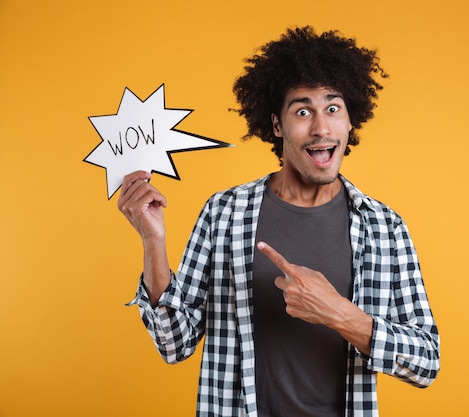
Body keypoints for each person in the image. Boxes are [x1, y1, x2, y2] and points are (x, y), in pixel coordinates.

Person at [119, 26, 440, 417]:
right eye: (303, 111)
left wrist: (339, 313)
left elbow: (426, 362)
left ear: (350, 121)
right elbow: (174, 344)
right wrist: (153, 243)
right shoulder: (224, 213)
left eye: (333, 109)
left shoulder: (383, 228)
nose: (321, 127)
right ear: (276, 125)